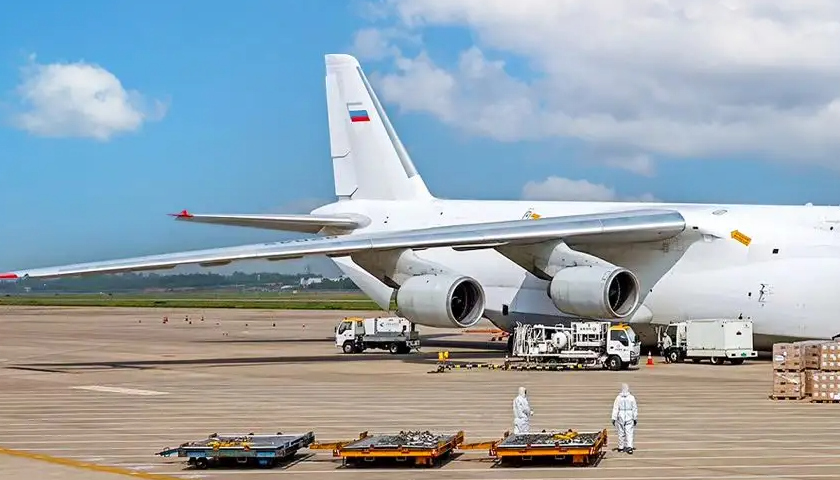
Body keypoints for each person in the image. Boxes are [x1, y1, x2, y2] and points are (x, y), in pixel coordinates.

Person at [611, 383, 638, 454]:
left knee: (621, 432)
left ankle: (621, 447)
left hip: (620, 416)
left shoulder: (618, 398)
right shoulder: (631, 397)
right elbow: (634, 408)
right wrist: (635, 418)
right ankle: (629, 447)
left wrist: (614, 418)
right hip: (629, 416)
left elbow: (615, 408)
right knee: (629, 432)